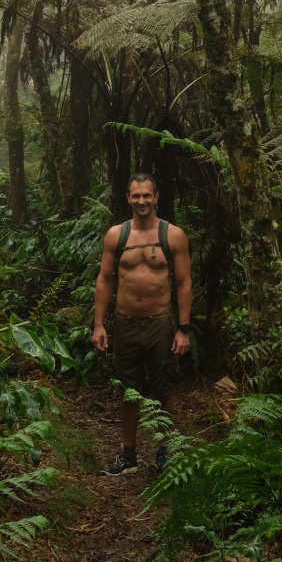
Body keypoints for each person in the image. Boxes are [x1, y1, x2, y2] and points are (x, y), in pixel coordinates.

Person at [92, 172, 192, 475]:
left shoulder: (173, 235)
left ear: (157, 196)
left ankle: (165, 451)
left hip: (160, 323)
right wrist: (99, 324)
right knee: (127, 391)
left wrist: (183, 328)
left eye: (147, 195)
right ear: (128, 198)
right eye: (136, 196)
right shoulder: (116, 236)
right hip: (125, 324)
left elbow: (184, 282)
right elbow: (104, 280)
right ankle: (129, 454)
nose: (141, 201)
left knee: (164, 389)